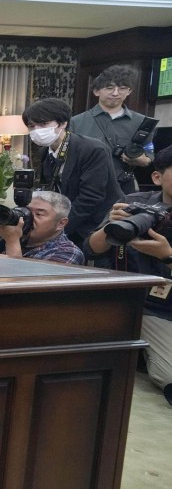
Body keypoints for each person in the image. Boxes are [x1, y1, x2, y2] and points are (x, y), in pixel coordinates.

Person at [85, 145, 172, 406]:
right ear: (157, 178)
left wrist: (167, 257)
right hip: (134, 302)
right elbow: (91, 249)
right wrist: (112, 227)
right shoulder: (135, 202)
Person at [22, 98, 121, 248]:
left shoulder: (92, 149)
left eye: (43, 124)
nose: (37, 131)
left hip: (97, 223)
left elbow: (91, 198)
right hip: (66, 220)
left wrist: (58, 230)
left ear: (63, 123)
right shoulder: (45, 151)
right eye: (31, 126)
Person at [69, 64, 156, 195]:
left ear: (129, 91)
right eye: (109, 88)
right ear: (96, 91)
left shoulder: (142, 122)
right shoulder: (76, 122)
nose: (115, 93)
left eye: (122, 88)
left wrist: (143, 160)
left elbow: (149, 154)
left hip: (124, 187)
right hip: (85, 187)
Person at [0, 190, 85, 264]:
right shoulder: (3, 235)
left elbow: (20, 286)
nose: (28, 218)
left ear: (61, 223)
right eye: (27, 211)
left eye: (39, 214)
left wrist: (12, 241)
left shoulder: (67, 252)